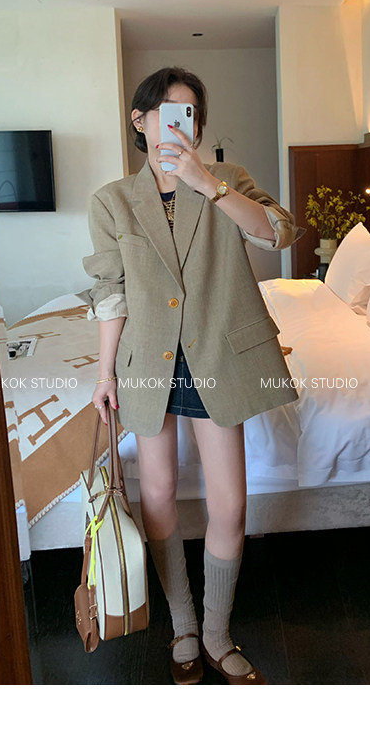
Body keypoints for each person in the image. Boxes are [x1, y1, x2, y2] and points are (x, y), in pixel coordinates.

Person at [83, 67, 303, 685]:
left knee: (230, 504)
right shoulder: (112, 201)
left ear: (199, 127)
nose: (180, 124)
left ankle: (216, 631)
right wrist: (104, 374)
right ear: (140, 120)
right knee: (156, 497)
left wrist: (208, 184)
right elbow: (110, 294)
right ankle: (183, 625)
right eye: (166, 111)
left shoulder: (227, 178)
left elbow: (281, 233)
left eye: (191, 115)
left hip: (217, 358)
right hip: (148, 362)